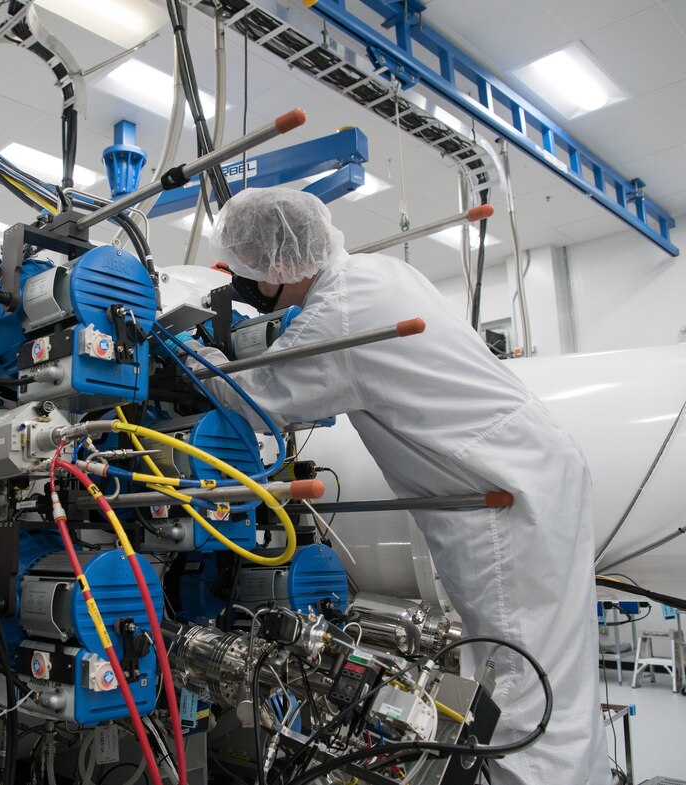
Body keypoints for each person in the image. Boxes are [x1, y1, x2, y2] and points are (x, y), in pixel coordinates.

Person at [191, 186, 610, 785]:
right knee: (554, 669)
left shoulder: (338, 317)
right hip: (533, 465)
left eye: (249, 273)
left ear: (277, 266)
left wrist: (189, 352)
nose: (247, 288)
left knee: (520, 675)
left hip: (504, 496)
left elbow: (255, 403)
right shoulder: (376, 273)